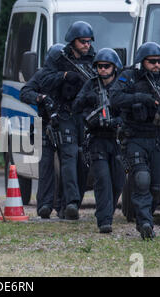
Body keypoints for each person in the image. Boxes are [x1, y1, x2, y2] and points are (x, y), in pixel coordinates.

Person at [110, 42, 160, 239]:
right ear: (142, 62)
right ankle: (144, 223)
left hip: (157, 139)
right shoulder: (129, 77)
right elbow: (114, 98)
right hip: (135, 137)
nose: (156, 65)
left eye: (159, 62)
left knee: (156, 188)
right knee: (142, 180)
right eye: (152, 62)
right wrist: (141, 98)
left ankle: (146, 216)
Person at [40, 21, 96, 220]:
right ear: (73, 41)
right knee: (69, 157)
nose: (87, 45)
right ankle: (69, 203)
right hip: (65, 115)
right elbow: (42, 80)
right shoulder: (59, 59)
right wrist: (64, 76)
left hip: (87, 117)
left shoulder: (95, 61)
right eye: (83, 42)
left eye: (89, 41)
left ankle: (72, 201)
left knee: (84, 162)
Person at [72, 48, 125, 233]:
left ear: (114, 67)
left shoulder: (121, 86)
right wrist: (91, 100)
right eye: (99, 66)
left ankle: (107, 211)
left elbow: (130, 109)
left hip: (117, 140)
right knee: (102, 179)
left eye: (106, 66)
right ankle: (104, 220)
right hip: (97, 140)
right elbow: (77, 106)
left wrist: (118, 121)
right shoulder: (90, 85)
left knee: (118, 181)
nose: (102, 69)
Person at [19, 44, 65, 219]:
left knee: (68, 169)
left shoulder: (72, 75)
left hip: (68, 124)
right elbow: (25, 92)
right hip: (46, 124)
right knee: (45, 167)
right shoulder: (42, 75)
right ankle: (45, 205)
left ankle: (63, 205)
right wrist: (40, 98)